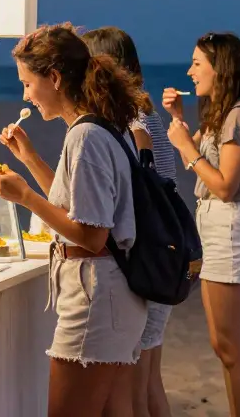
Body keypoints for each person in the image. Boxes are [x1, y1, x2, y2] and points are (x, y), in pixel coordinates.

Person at [0, 23, 149, 417]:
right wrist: (31, 160)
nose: (25, 95)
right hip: (113, 294)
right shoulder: (102, 125)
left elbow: (91, 235)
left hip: (95, 297)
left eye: (26, 83)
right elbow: (81, 206)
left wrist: (25, 197)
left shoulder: (85, 137)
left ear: (53, 78)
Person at [162, 32, 240, 417]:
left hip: (233, 230)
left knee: (235, 348)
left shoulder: (239, 114)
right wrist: (179, 123)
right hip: (217, 229)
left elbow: (224, 185)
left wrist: (185, 147)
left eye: (196, 63)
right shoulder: (221, 114)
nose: (189, 72)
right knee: (223, 345)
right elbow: (208, 174)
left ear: (219, 68)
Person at [81, 26, 175, 417]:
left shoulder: (131, 120)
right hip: (164, 257)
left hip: (146, 258)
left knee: (134, 389)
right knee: (150, 381)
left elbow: (127, 196)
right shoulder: (145, 112)